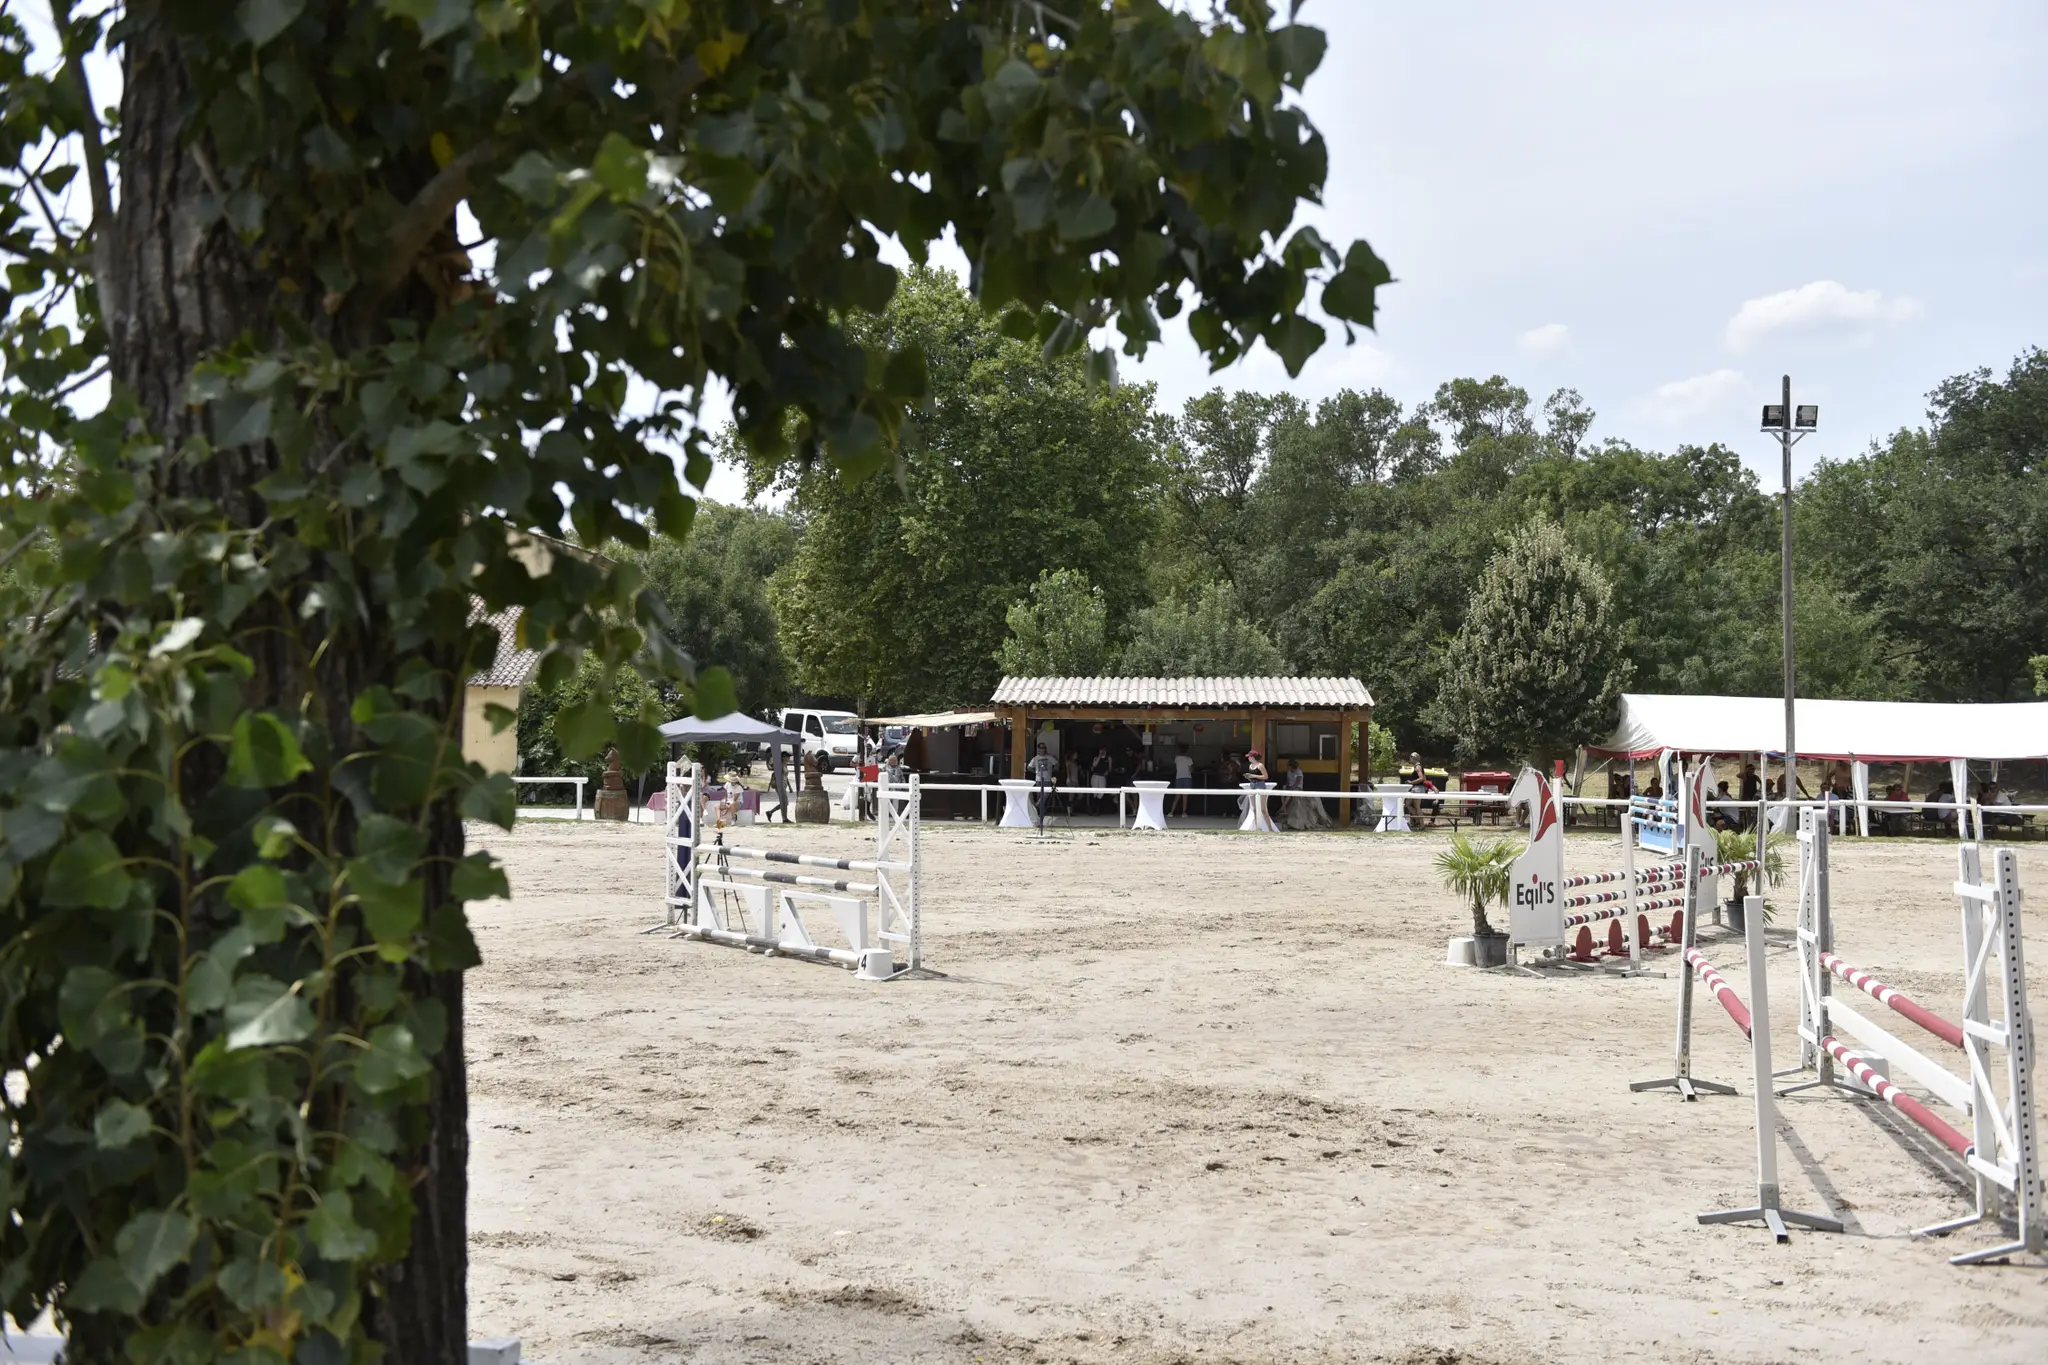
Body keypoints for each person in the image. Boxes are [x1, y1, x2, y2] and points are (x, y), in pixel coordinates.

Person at [1280, 757, 1332, 830]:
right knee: (1283, 791)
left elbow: (1297, 783)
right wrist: (1287, 786)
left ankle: (1283, 807)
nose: (1289, 769)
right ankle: (1284, 806)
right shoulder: (1289, 772)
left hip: (1297, 788)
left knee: (1291, 793)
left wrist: (1292, 788)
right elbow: (1288, 781)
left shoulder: (1299, 772)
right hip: (1291, 787)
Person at [1171, 747, 1195, 817]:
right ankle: (1184, 813)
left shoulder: (1177, 758)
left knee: (1177, 796)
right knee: (1185, 796)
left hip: (1179, 778)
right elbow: (1191, 770)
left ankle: (1171, 812)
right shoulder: (1189, 759)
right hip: (1187, 778)